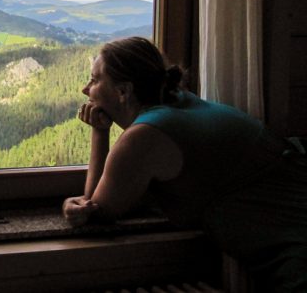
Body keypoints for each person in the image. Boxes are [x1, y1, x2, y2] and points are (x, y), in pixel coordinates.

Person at [62, 36, 307, 291]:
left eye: (94, 79)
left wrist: (98, 132)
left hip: (294, 242)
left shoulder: (143, 136)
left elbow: (94, 209)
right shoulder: (180, 100)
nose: (85, 89)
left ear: (123, 92)